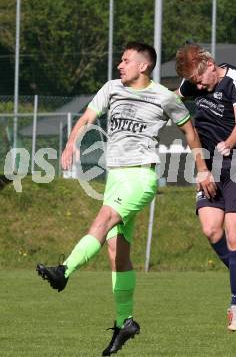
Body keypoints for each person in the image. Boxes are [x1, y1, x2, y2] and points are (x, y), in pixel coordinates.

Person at [36, 41, 216, 355]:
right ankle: (125, 322)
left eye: (126, 60)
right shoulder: (111, 88)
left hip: (140, 177)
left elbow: (190, 131)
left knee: (103, 220)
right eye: (121, 60)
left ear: (143, 65)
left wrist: (202, 170)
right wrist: (70, 144)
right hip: (115, 176)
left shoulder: (162, 96)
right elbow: (88, 117)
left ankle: (64, 271)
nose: (120, 65)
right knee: (116, 255)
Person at [175, 43, 236, 332]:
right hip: (208, 164)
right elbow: (173, 99)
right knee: (211, 229)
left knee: (234, 233)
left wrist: (230, 143)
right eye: (194, 82)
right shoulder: (194, 82)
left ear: (210, 64)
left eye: (200, 79)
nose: (198, 86)